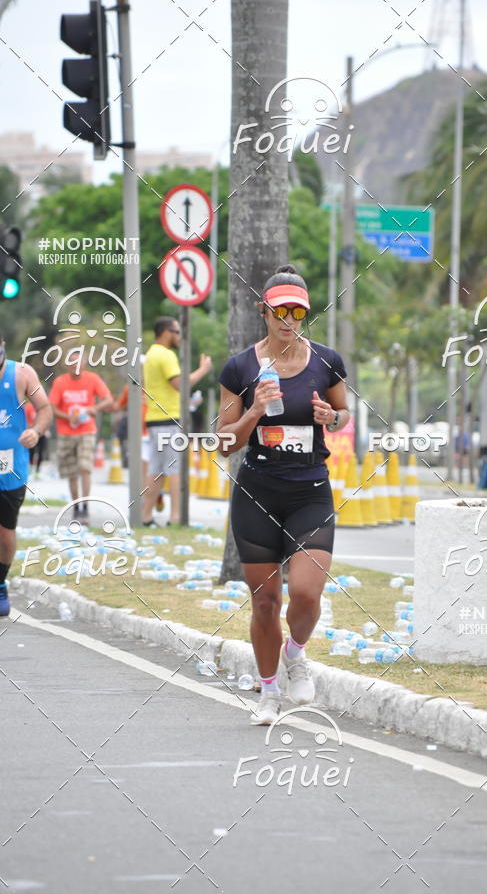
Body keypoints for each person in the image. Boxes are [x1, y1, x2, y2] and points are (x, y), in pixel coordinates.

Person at [216, 265, 350, 725]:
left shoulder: (326, 361)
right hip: (257, 491)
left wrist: (330, 416)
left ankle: (296, 652)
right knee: (265, 601)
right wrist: (253, 409)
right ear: (264, 311)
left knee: (307, 594)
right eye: (280, 310)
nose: (288, 319)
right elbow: (224, 441)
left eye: (297, 311)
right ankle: (269, 692)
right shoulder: (240, 367)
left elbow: (343, 416)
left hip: (310, 488)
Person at [0, 334, 52, 616]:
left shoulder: (21, 373)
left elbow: (44, 409)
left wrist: (36, 430)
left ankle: (0, 582)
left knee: (5, 532)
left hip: (10, 466)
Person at [142, 317, 212, 526]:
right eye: (177, 332)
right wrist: (203, 369)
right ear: (166, 333)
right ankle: (175, 517)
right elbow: (180, 385)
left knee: (156, 470)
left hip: (155, 419)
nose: (180, 336)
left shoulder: (151, 354)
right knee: (174, 471)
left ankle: (145, 517)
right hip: (169, 419)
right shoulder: (166, 355)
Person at [48, 352, 113, 524]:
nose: (76, 366)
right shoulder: (60, 382)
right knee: (72, 473)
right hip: (66, 432)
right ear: (67, 365)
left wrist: (94, 408)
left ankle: (85, 506)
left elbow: (108, 400)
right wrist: (68, 417)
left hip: (87, 430)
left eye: (79, 362)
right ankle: (77, 506)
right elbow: (51, 408)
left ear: (84, 364)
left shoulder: (93, 379)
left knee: (85, 467)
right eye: (72, 363)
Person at [24, 400, 49, 479]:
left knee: (41, 453)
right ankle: (30, 469)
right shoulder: (28, 407)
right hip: (31, 433)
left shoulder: (43, 406)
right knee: (32, 452)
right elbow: (26, 421)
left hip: (42, 434)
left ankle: (38, 471)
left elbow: (47, 419)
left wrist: (45, 429)